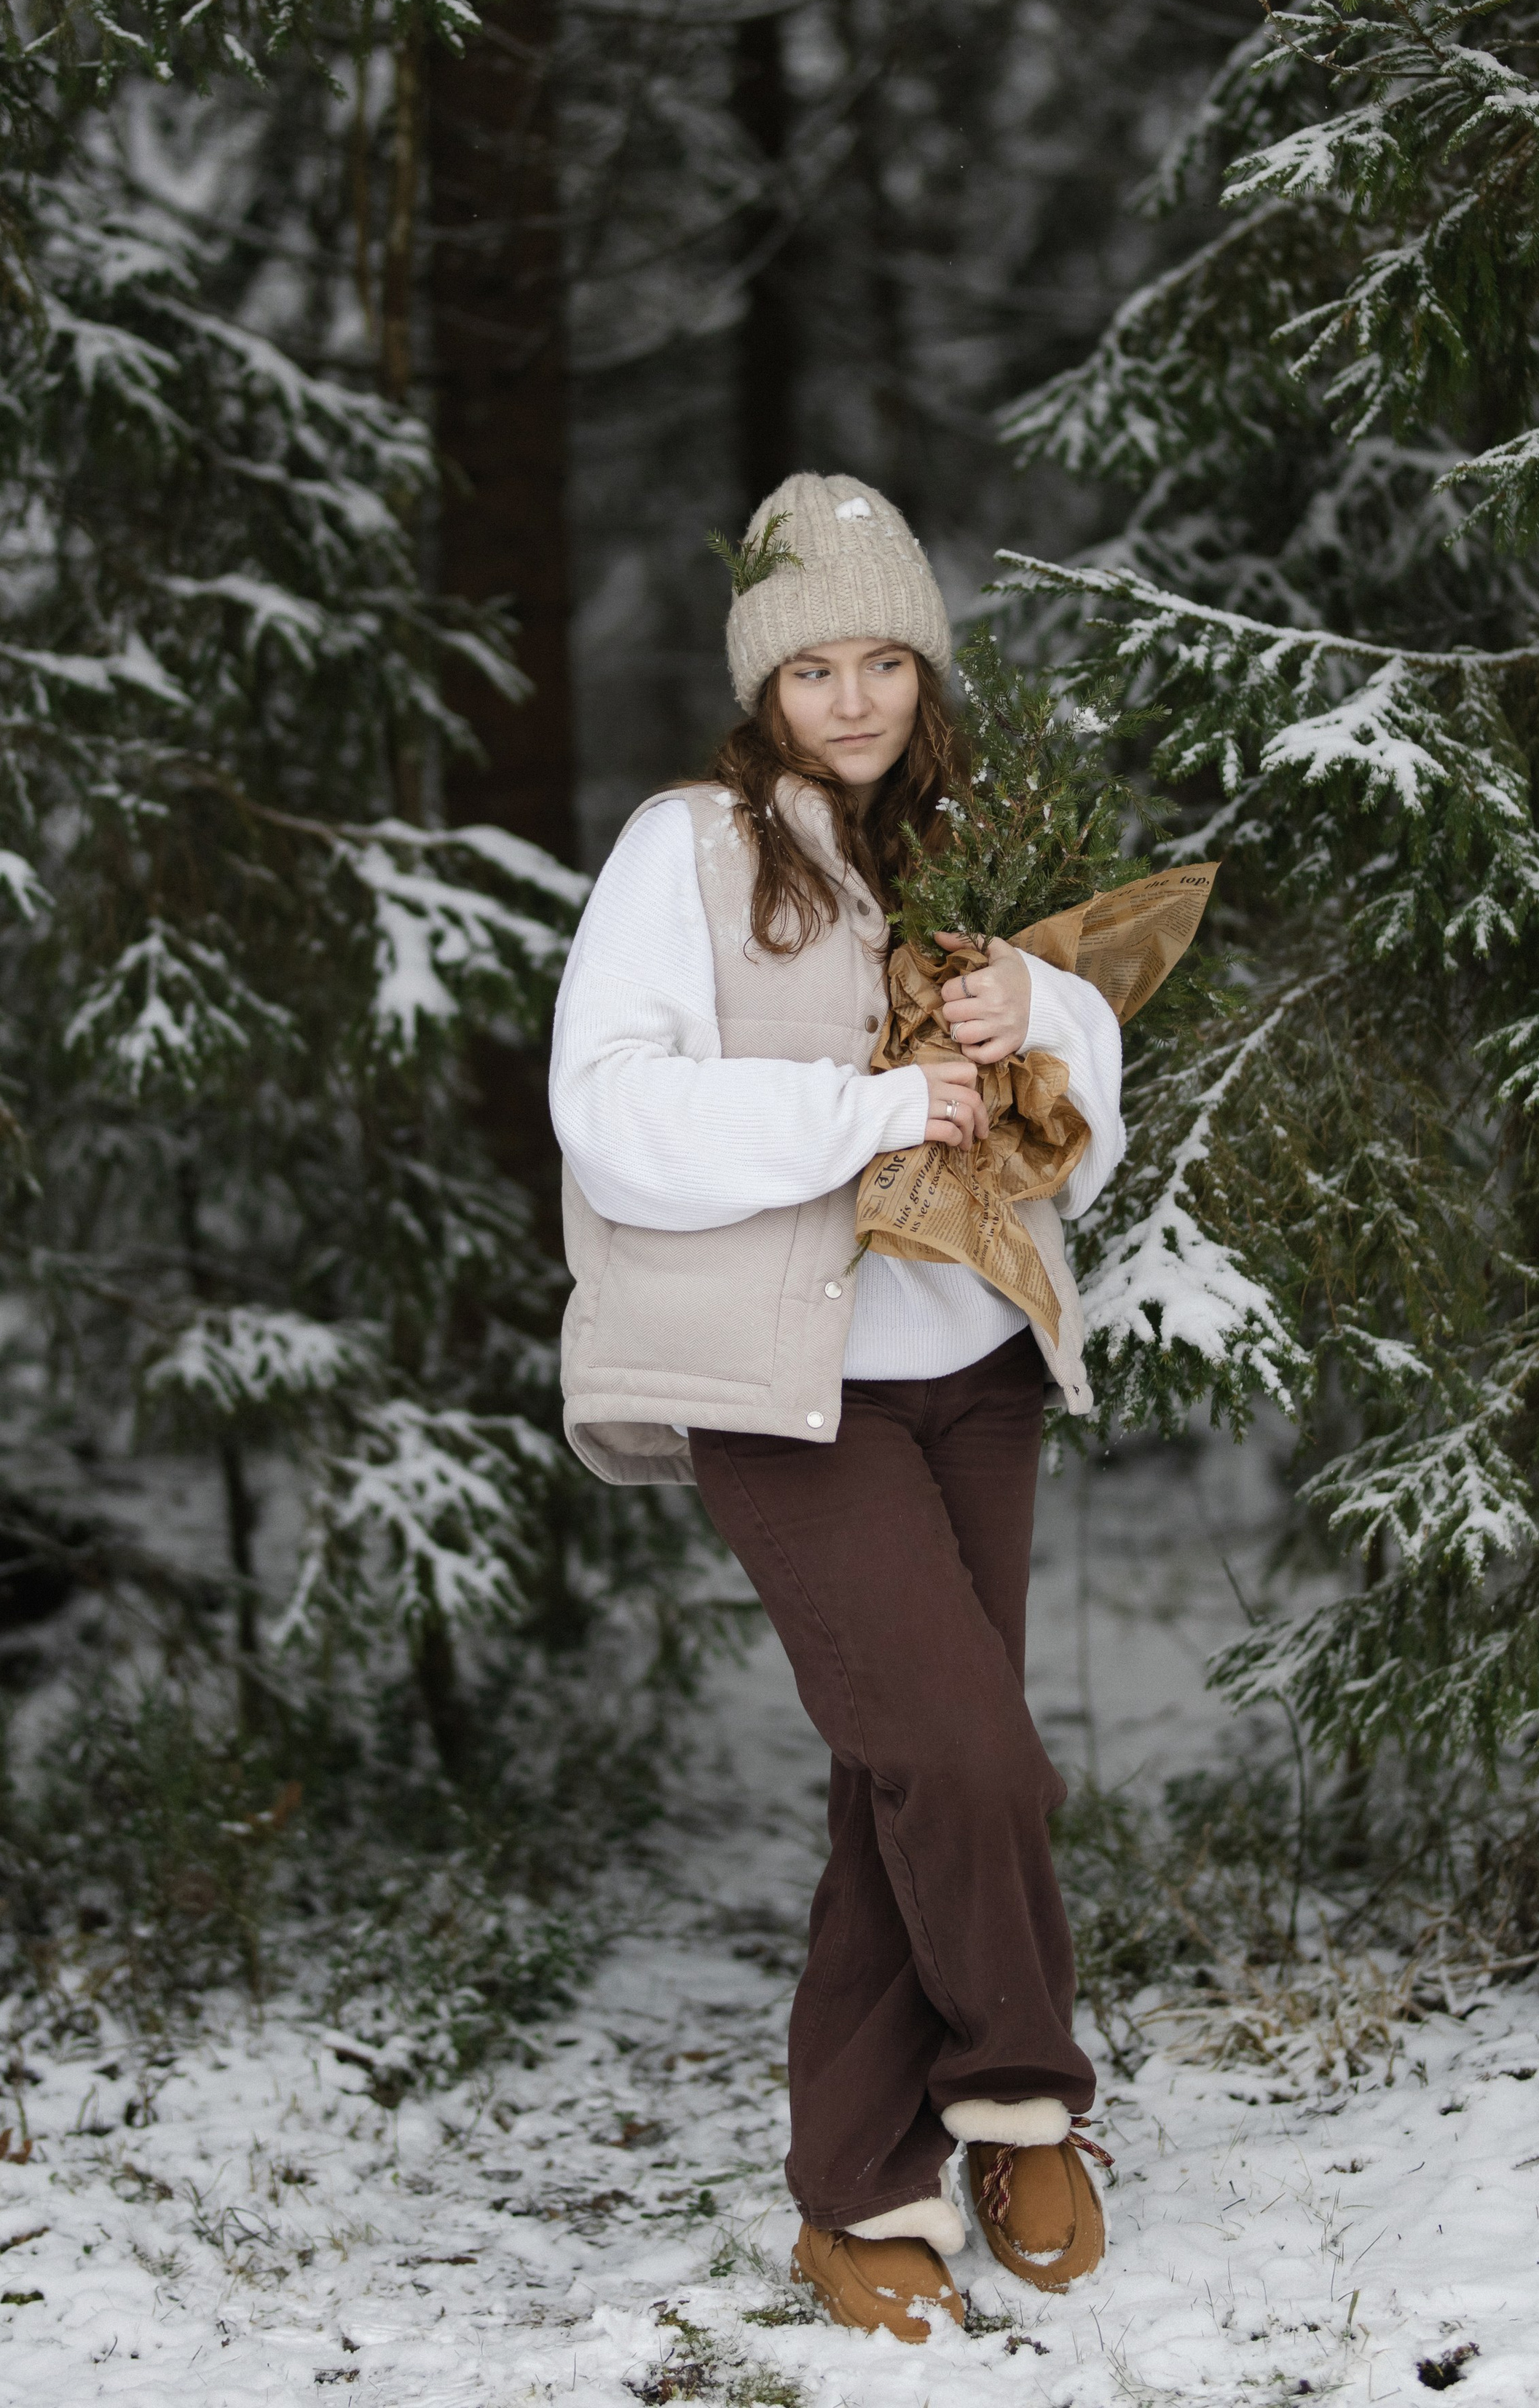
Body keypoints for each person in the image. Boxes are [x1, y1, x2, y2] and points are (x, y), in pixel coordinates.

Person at [548, 473, 1125, 2345]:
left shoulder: (970, 842)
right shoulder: (691, 850)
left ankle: (888, 2179)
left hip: (973, 1372)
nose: (857, 697)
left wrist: (1027, 1007)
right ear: (761, 685)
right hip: (791, 1393)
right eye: (816, 666)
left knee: (898, 1769)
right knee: (961, 1758)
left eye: (887, 657)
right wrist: (872, 1108)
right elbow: (611, 1115)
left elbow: (1081, 1132)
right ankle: (1018, 2089)